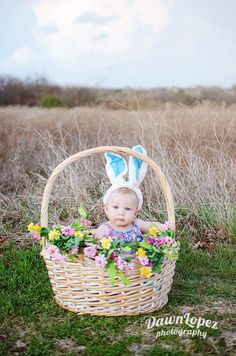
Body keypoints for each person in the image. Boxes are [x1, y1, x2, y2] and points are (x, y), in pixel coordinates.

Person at [95, 145, 166, 242]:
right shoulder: (104, 229)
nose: (121, 212)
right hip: (113, 257)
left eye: (127, 209)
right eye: (115, 207)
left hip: (137, 257)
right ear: (106, 208)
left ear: (136, 212)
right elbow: (95, 246)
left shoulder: (137, 224)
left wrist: (166, 227)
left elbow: (152, 226)